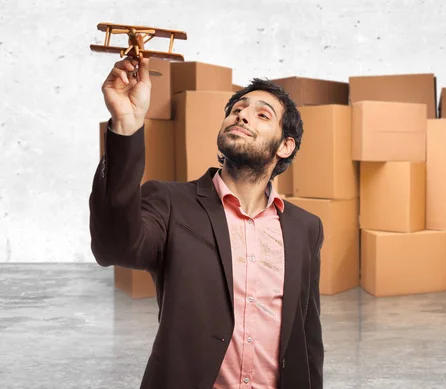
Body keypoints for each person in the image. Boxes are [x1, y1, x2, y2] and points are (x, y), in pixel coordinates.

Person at [89, 57, 324, 389]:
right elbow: (112, 247)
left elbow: (307, 333)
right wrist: (127, 124)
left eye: (262, 114)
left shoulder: (306, 228)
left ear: (285, 146)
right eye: (236, 109)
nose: (241, 114)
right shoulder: (170, 203)